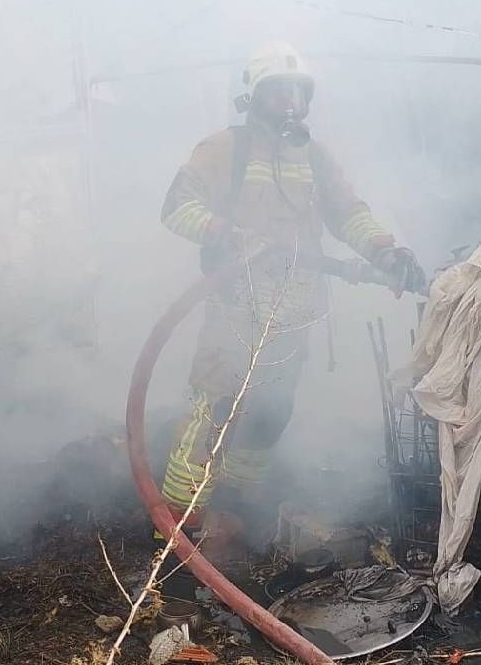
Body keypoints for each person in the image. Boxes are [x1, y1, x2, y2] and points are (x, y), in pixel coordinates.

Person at [158, 42, 425, 534]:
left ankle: (235, 510)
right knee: (215, 412)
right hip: (236, 310)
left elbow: (349, 214)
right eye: (280, 93)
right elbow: (176, 207)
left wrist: (385, 251)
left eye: (299, 95)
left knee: (269, 415)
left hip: (295, 311)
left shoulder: (314, 158)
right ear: (254, 97)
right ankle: (176, 529)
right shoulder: (224, 149)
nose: (291, 106)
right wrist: (225, 233)